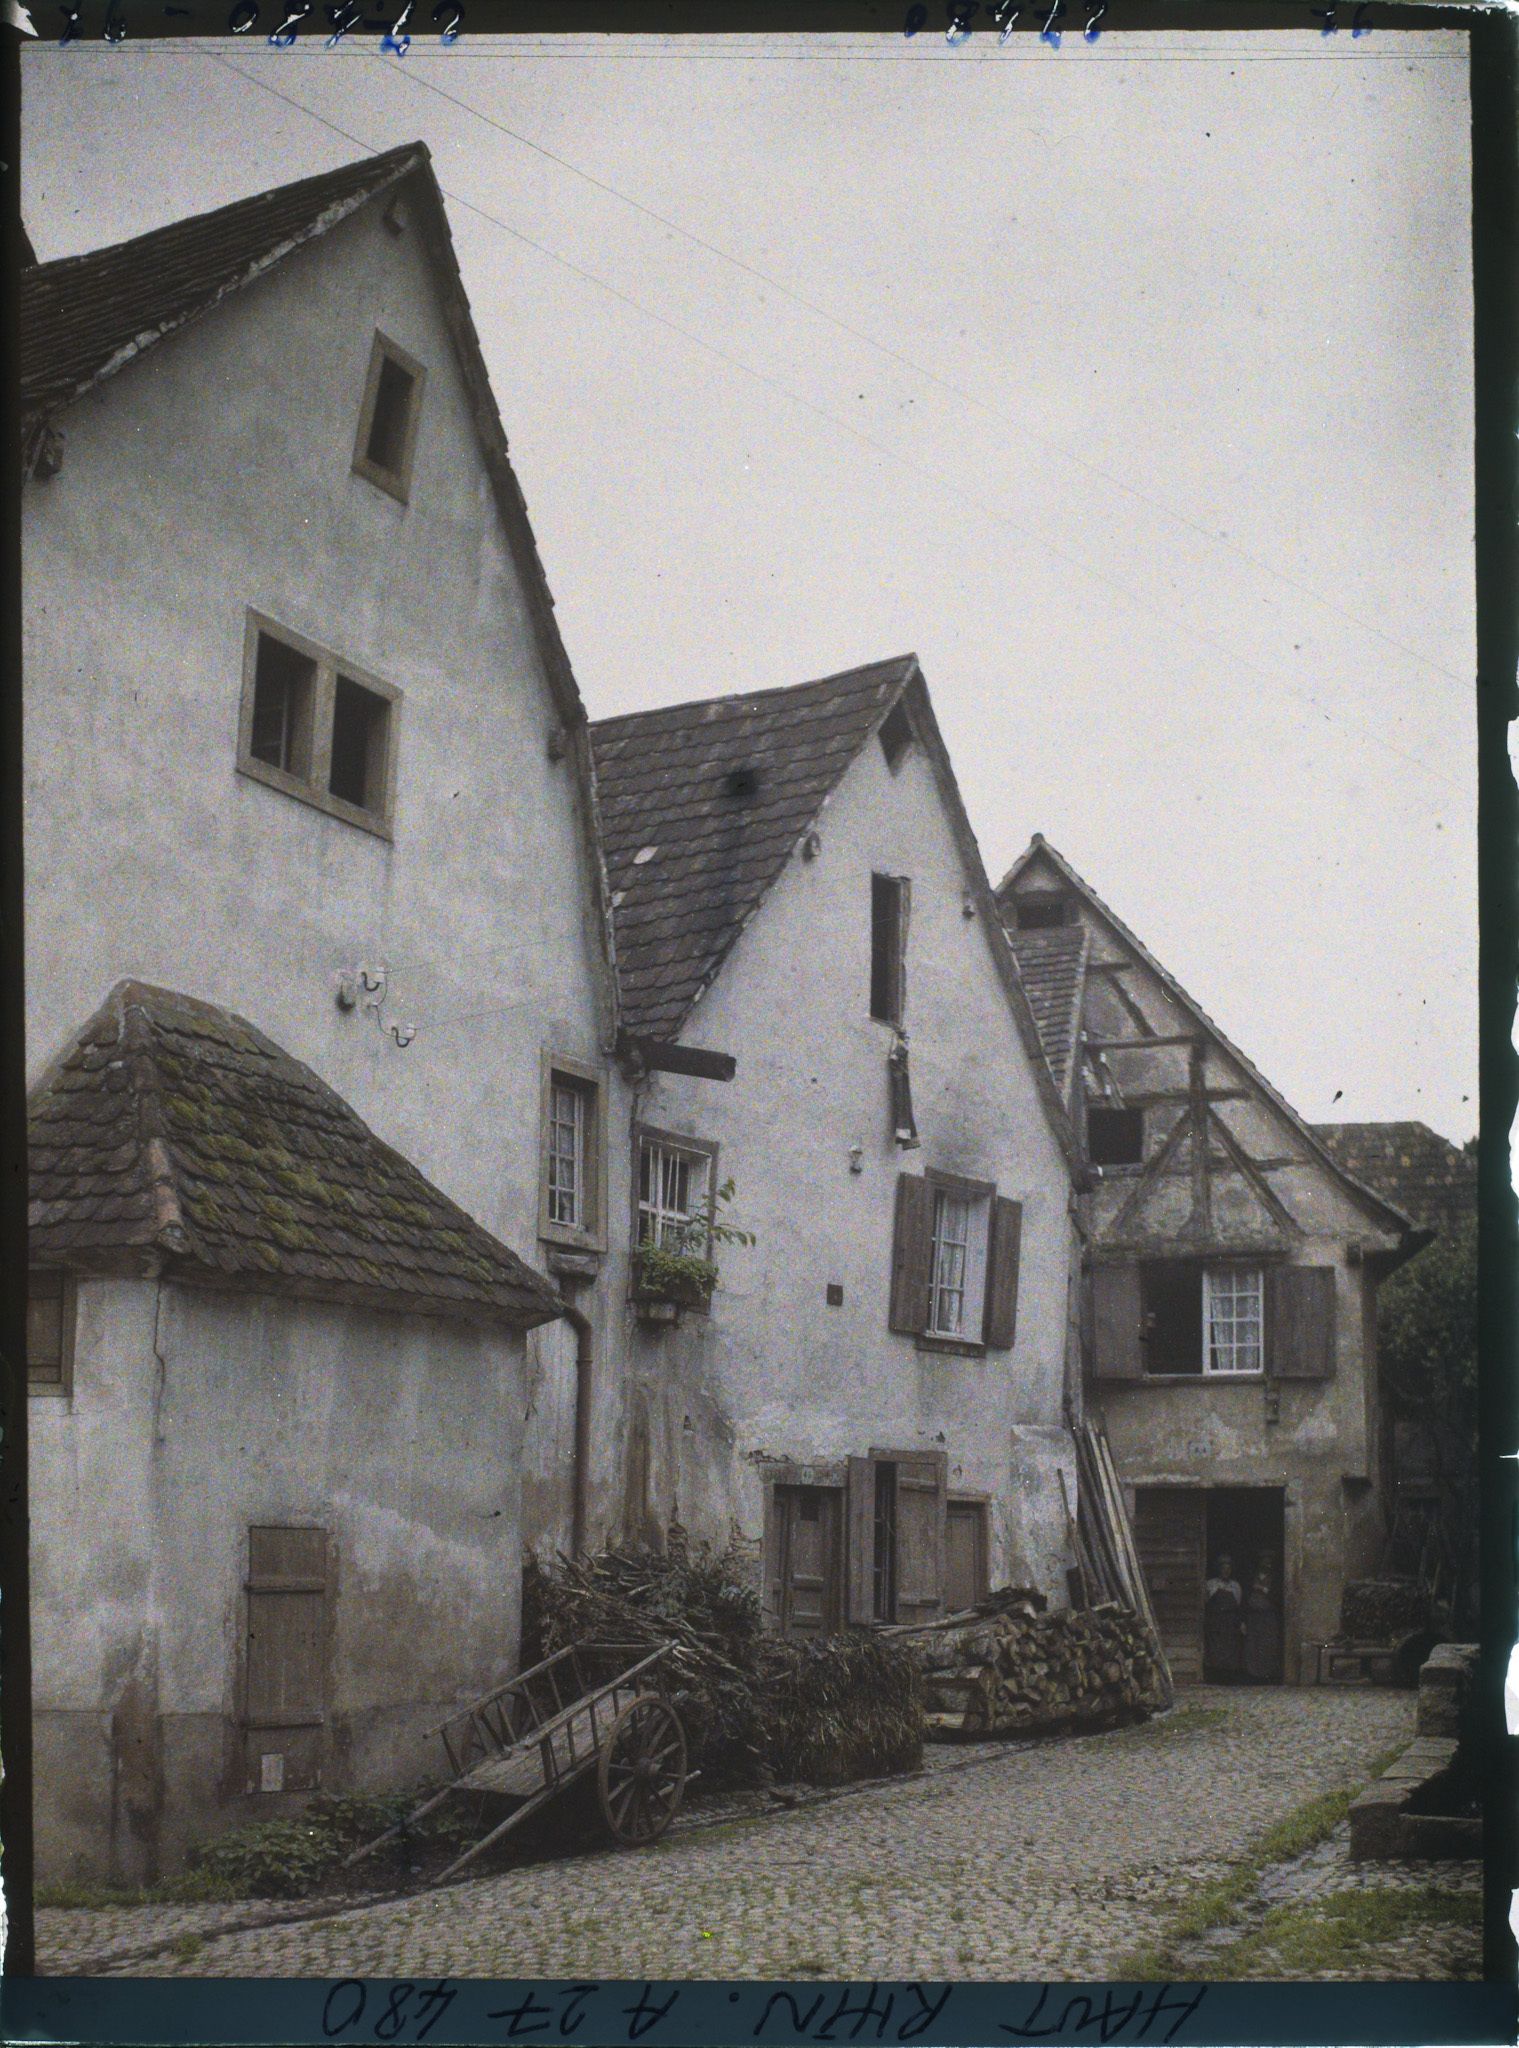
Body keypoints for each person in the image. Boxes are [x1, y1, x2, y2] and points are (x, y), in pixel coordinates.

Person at [1203, 1551, 1244, 1682]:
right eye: (1223, 1568)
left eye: (1228, 1568)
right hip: (1215, 1622)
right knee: (1215, 1651)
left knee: (1230, 1651)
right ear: (1218, 1569)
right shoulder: (1210, 1584)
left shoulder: (1235, 1586)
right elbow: (1205, 1604)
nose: (1226, 1571)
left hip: (1229, 1623)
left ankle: (1228, 1679)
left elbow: (1238, 1605)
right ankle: (1215, 1678)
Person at [1242, 1555, 1282, 1683]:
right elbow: (1244, 1599)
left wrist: (1264, 1589)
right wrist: (1243, 1620)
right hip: (1253, 1617)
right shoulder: (1251, 1579)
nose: (1267, 1565)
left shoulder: (1275, 1580)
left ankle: (1267, 1675)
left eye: (1269, 1563)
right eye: (1264, 1562)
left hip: (1268, 1616)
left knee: (1267, 1645)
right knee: (1252, 1645)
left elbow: (1279, 1598)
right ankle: (1253, 1675)